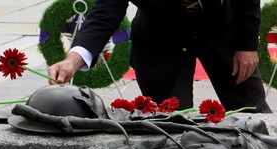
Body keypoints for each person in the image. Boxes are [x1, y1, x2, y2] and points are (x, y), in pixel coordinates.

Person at [48, 0, 272, 113]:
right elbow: (105, 13)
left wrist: (247, 45)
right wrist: (73, 60)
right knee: (173, 129)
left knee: (253, 115)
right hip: (161, 39)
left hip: (222, 33)